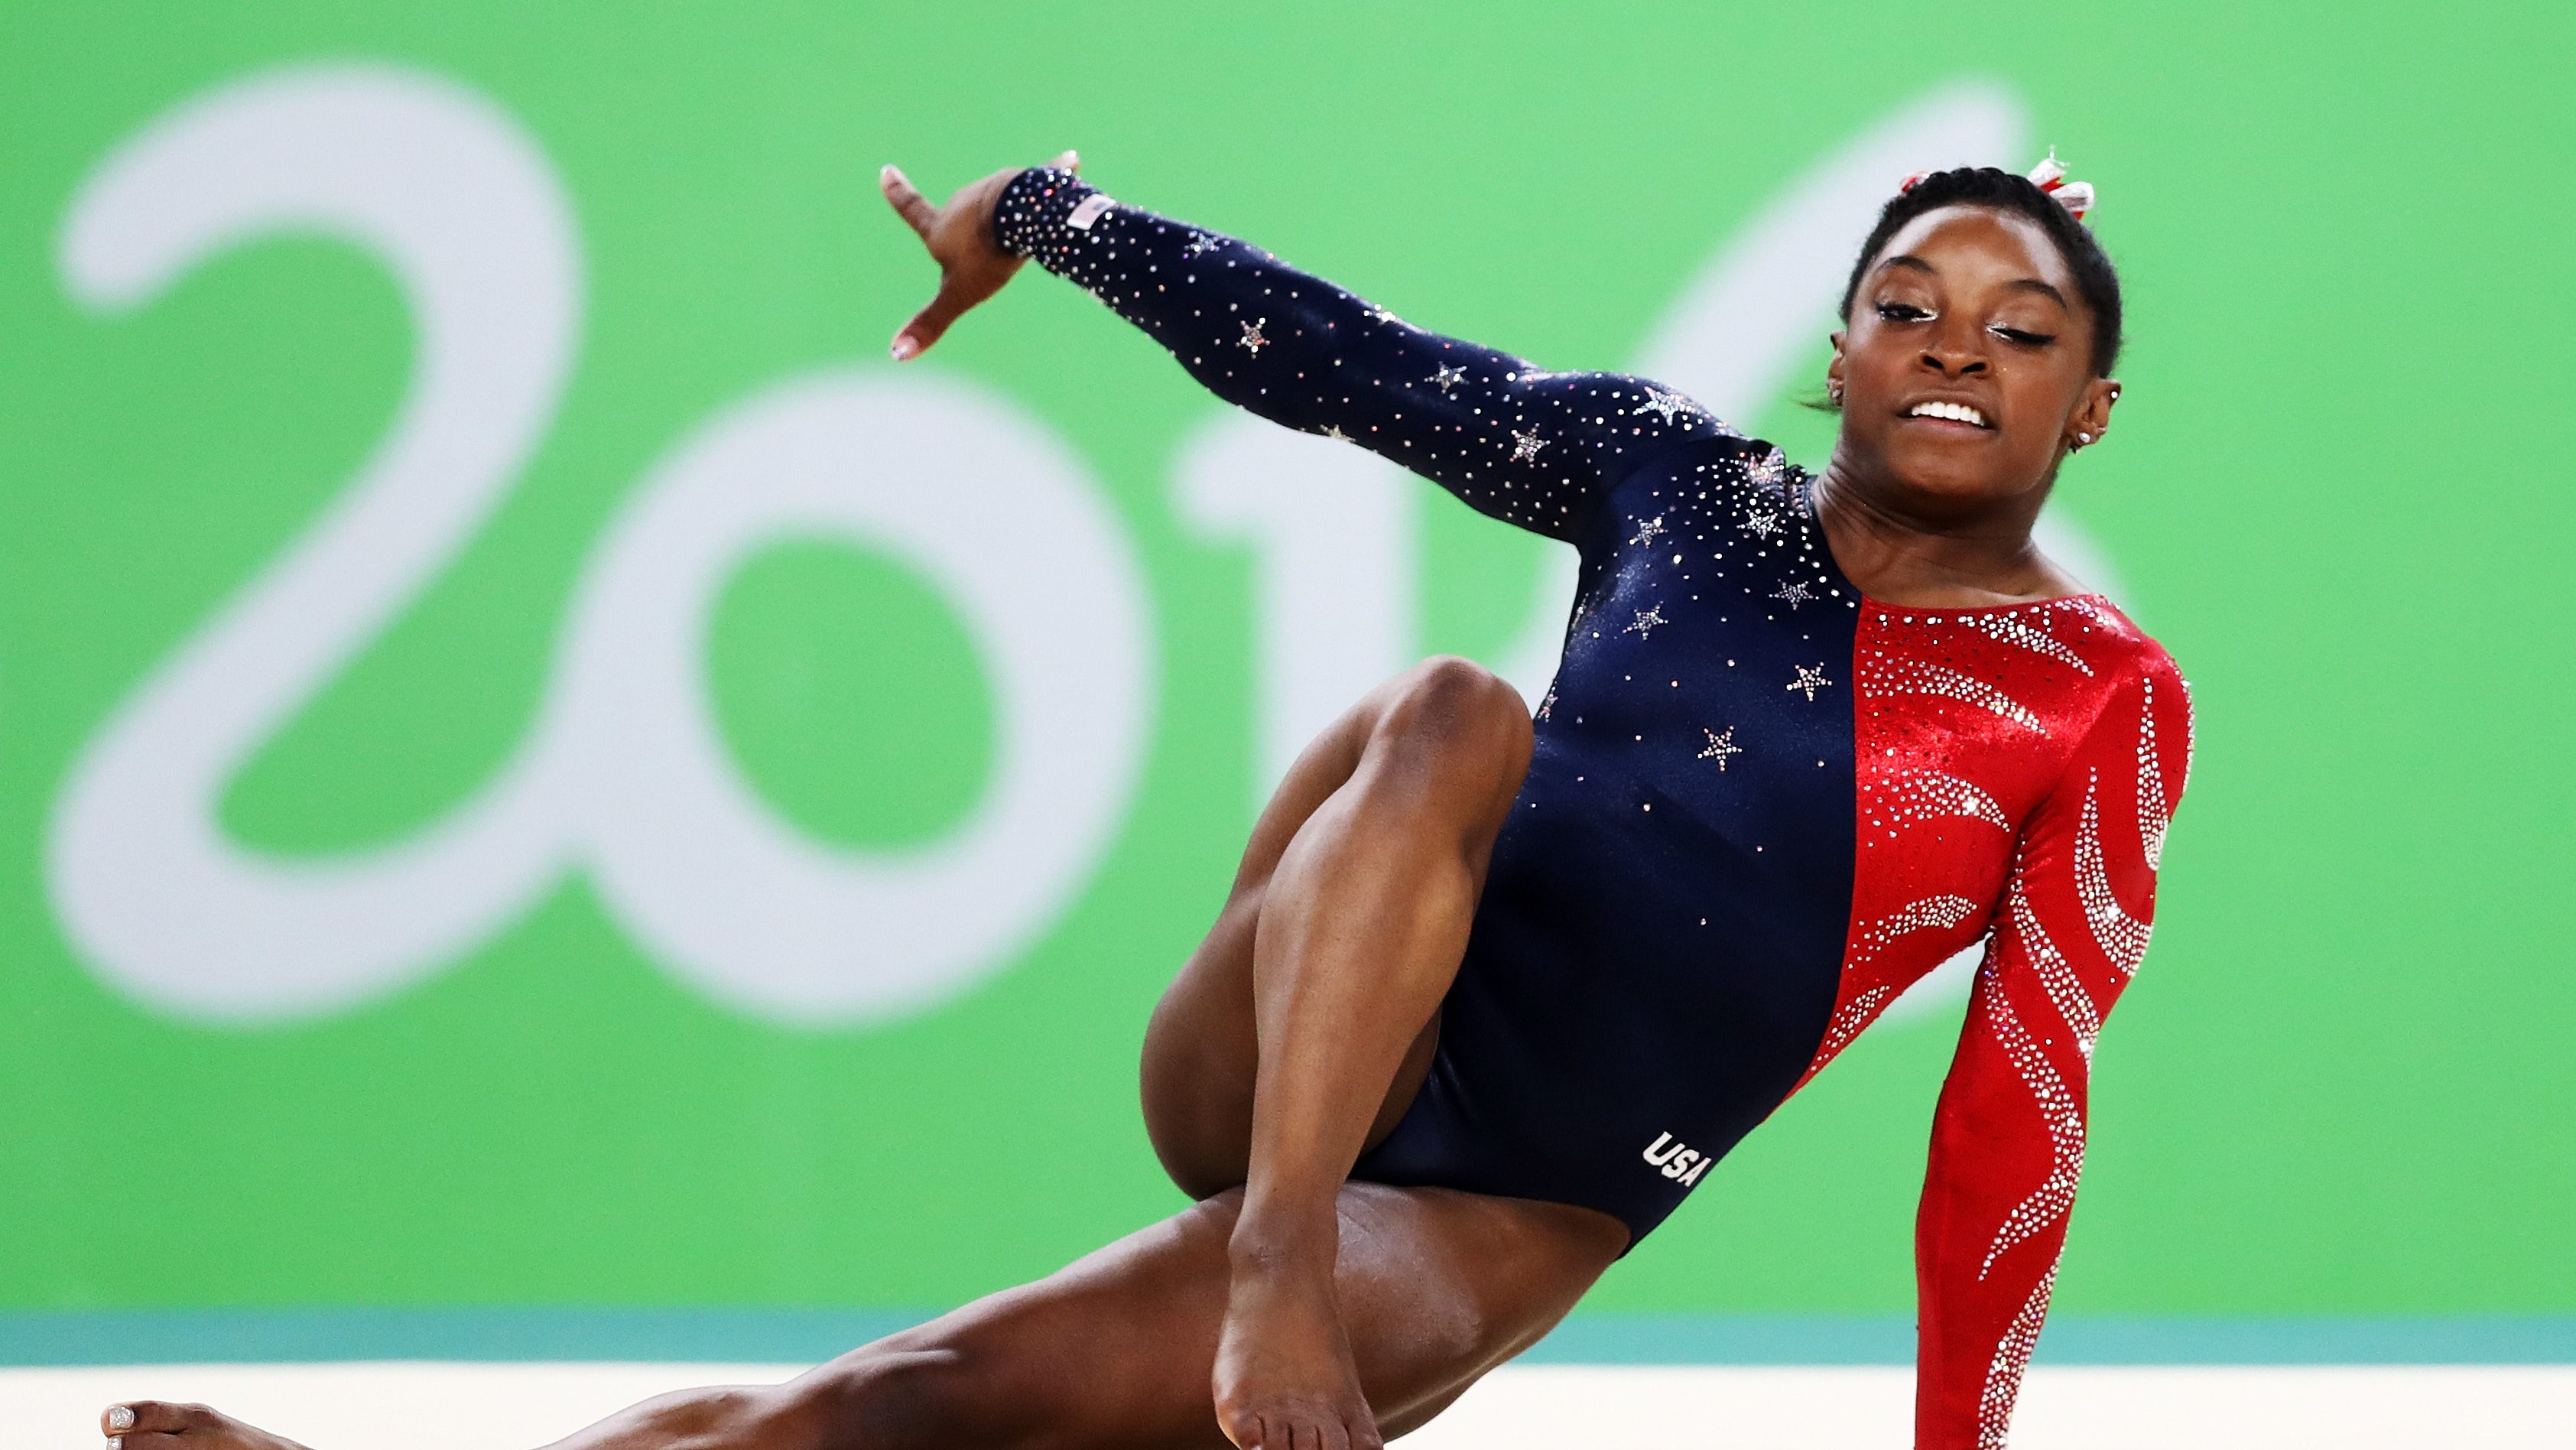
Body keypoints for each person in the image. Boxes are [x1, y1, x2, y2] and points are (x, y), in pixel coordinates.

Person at [100, 150, 2189, 1450]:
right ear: (1832, 353)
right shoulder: (1677, 479)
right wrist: (1056, 223)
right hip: (1301, 1073)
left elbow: (2018, 1106)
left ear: (2081, 408)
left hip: (1492, 1207)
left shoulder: (2096, 699)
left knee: (911, 1407)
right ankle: (1266, 1254)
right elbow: (1351, 359)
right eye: (1903, 305)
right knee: (1450, 704)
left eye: (2015, 332)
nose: (1950, 349)